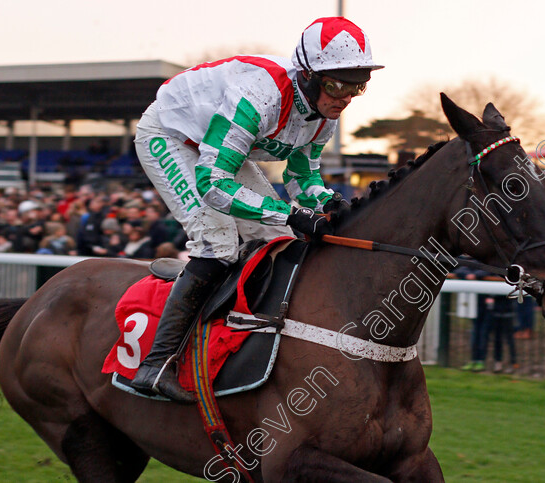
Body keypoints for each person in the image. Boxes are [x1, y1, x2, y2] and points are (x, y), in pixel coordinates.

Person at [129, 17, 383, 402]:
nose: (345, 97)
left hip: (218, 147)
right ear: (310, 76)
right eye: (336, 85)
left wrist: (331, 202)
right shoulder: (260, 95)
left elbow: (303, 178)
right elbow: (213, 183)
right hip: (171, 135)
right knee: (218, 245)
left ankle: (247, 336)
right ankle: (156, 364)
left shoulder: (324, 117)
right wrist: (291, 214)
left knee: (279, 241)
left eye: (357, 86)